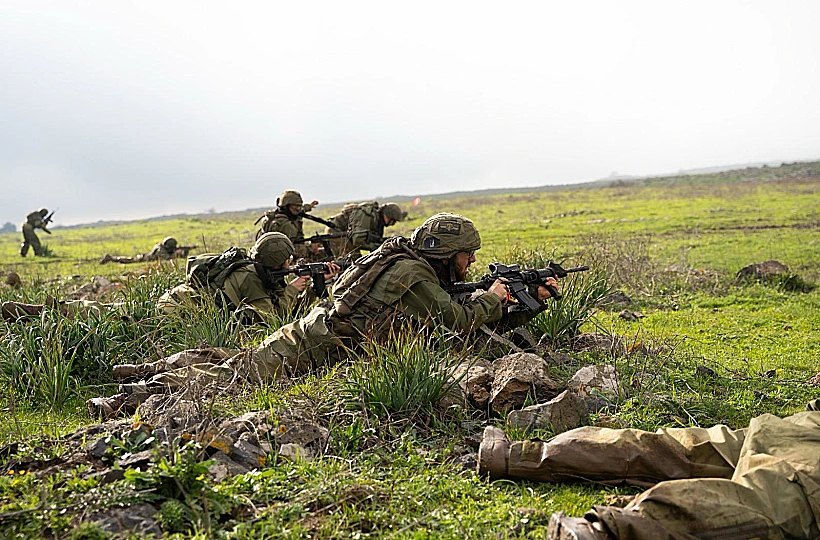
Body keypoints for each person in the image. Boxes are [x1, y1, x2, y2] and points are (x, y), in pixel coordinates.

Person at [88, 212, 559, 417]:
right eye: (468, 255)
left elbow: (460, 312)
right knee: (238, 376)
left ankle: (152, 372)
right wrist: (496, 296)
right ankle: (130, 397)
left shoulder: (418, 269)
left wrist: (521, 301)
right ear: (448, 253)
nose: (473, 263)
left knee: (238, 364)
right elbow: (455, 320)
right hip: (316, 341)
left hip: (322, 335)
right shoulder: (413, 275)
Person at [477, 402, 820, 540]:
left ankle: (511, 456)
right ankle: (605, 532)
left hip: (797, 426)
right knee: (771, 499)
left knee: (667, 449)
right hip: (808, 444)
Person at [157, 232, 340, 320]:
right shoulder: (250, 277)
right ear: (277, 260)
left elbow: (288, 311)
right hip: (177, 308)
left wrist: (314, 290)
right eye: (288, 258)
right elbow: (271, 318)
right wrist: (292, 289)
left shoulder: (264, 272)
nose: (290, 262)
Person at [254, 190, 320, 260]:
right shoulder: (285, 225)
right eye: (295, 207)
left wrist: (309, 206)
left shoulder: (275, 215)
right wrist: (311, 248)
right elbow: (291, 251)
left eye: (299, 206)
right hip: (278, 261)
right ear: (286, 206)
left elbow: (299, 210)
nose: (298, 209)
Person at [325, 201, 404, 256]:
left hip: (347, 235)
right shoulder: (367, 216)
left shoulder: (378, 221)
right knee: (351, 262)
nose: (393, 224)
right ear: (388, 216)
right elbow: (358, 241)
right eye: (393, 221)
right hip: (336, 232)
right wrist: (377, 246)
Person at [99, 236, 192, 264]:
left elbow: (183, 257)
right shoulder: (161, 249)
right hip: (145, 258)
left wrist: (186, 250)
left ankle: (111, 258)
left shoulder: (163, 246)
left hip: (146, 256)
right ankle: (111, 258)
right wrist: (176, 254)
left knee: (130, 260)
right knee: (130, 260)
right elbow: (166, 258)